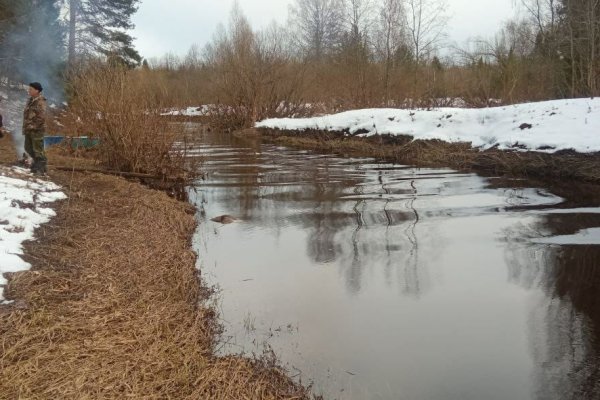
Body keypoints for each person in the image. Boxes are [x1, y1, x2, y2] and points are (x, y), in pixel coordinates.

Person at [23, 82, 47, 175]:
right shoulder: (30, 100)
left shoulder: (41, 101)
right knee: (28, 148)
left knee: (38, 150)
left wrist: (32, 126)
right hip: (28, 129)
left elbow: (41, 117)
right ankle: (38, 164)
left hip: (37, 130)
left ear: (37, 91)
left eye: (31, 89)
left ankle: (40, 169)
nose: (29, 91)